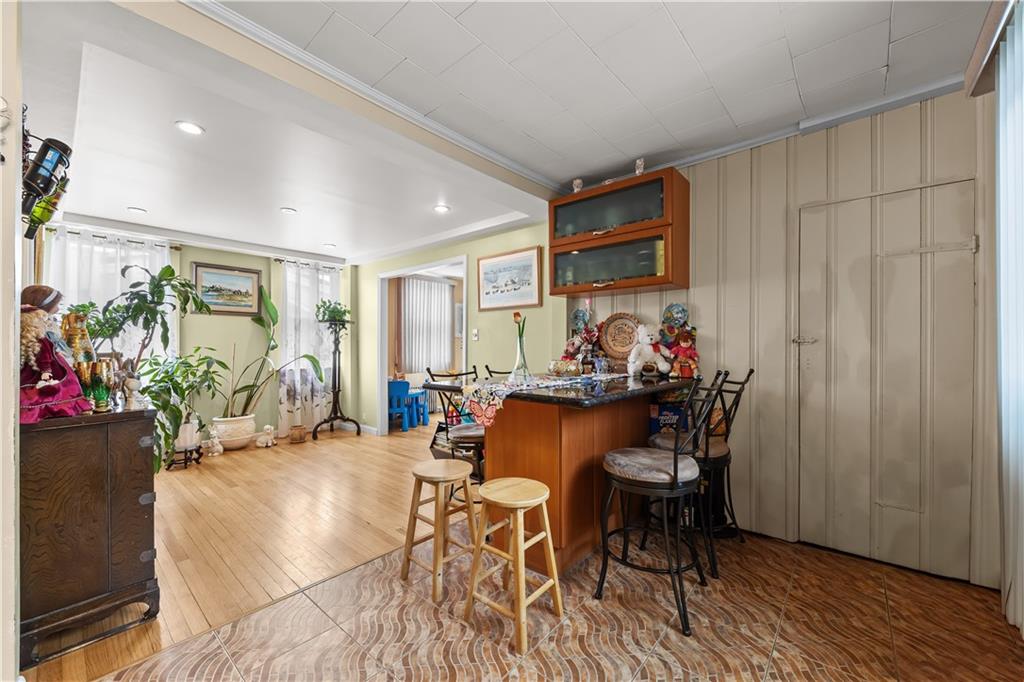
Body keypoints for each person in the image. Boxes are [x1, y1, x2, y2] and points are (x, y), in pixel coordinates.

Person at [19, 285, 92, 424]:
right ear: (45, 307)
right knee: (55, 388)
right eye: (56, 305)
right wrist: (47, 369)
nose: (58, 309)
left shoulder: (35, 325)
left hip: (39, 363)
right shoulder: (42, 329)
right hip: (44, 366)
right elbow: (46, 352)